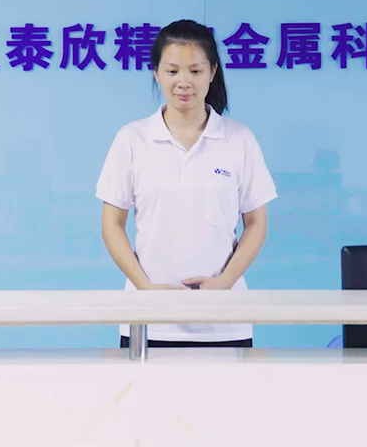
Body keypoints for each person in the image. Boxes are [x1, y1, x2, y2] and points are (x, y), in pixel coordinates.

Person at [95, 19, 278, 348]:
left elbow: (256, 223)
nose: (184, 81)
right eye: (172, 71)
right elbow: (112, 225)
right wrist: (145, 288)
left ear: (213, 72)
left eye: (195, 71)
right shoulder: (132, 139)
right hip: (148, 319)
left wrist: (224, 282)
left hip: (224, 319)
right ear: (156, 73)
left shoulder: (239, 139)